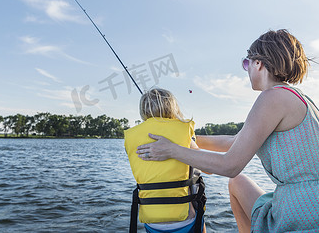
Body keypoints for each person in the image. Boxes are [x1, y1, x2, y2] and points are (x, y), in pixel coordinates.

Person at [136, 30, 319, 232]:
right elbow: (234, 141)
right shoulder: (295, 96)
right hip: (305, 200)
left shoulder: (272, 98)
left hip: (303, 211)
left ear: (258, 63)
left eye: (246, 64)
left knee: (234, 177)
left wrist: (171, 150)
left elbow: (230, 166)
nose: (247, 70)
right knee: (237, 183)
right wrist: (184, 136)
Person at [125, 88, 206, 233]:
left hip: (152, 221)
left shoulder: (132, 137)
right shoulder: (183, 132)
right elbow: (205, 166)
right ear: (172, 107)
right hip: (184, 218)